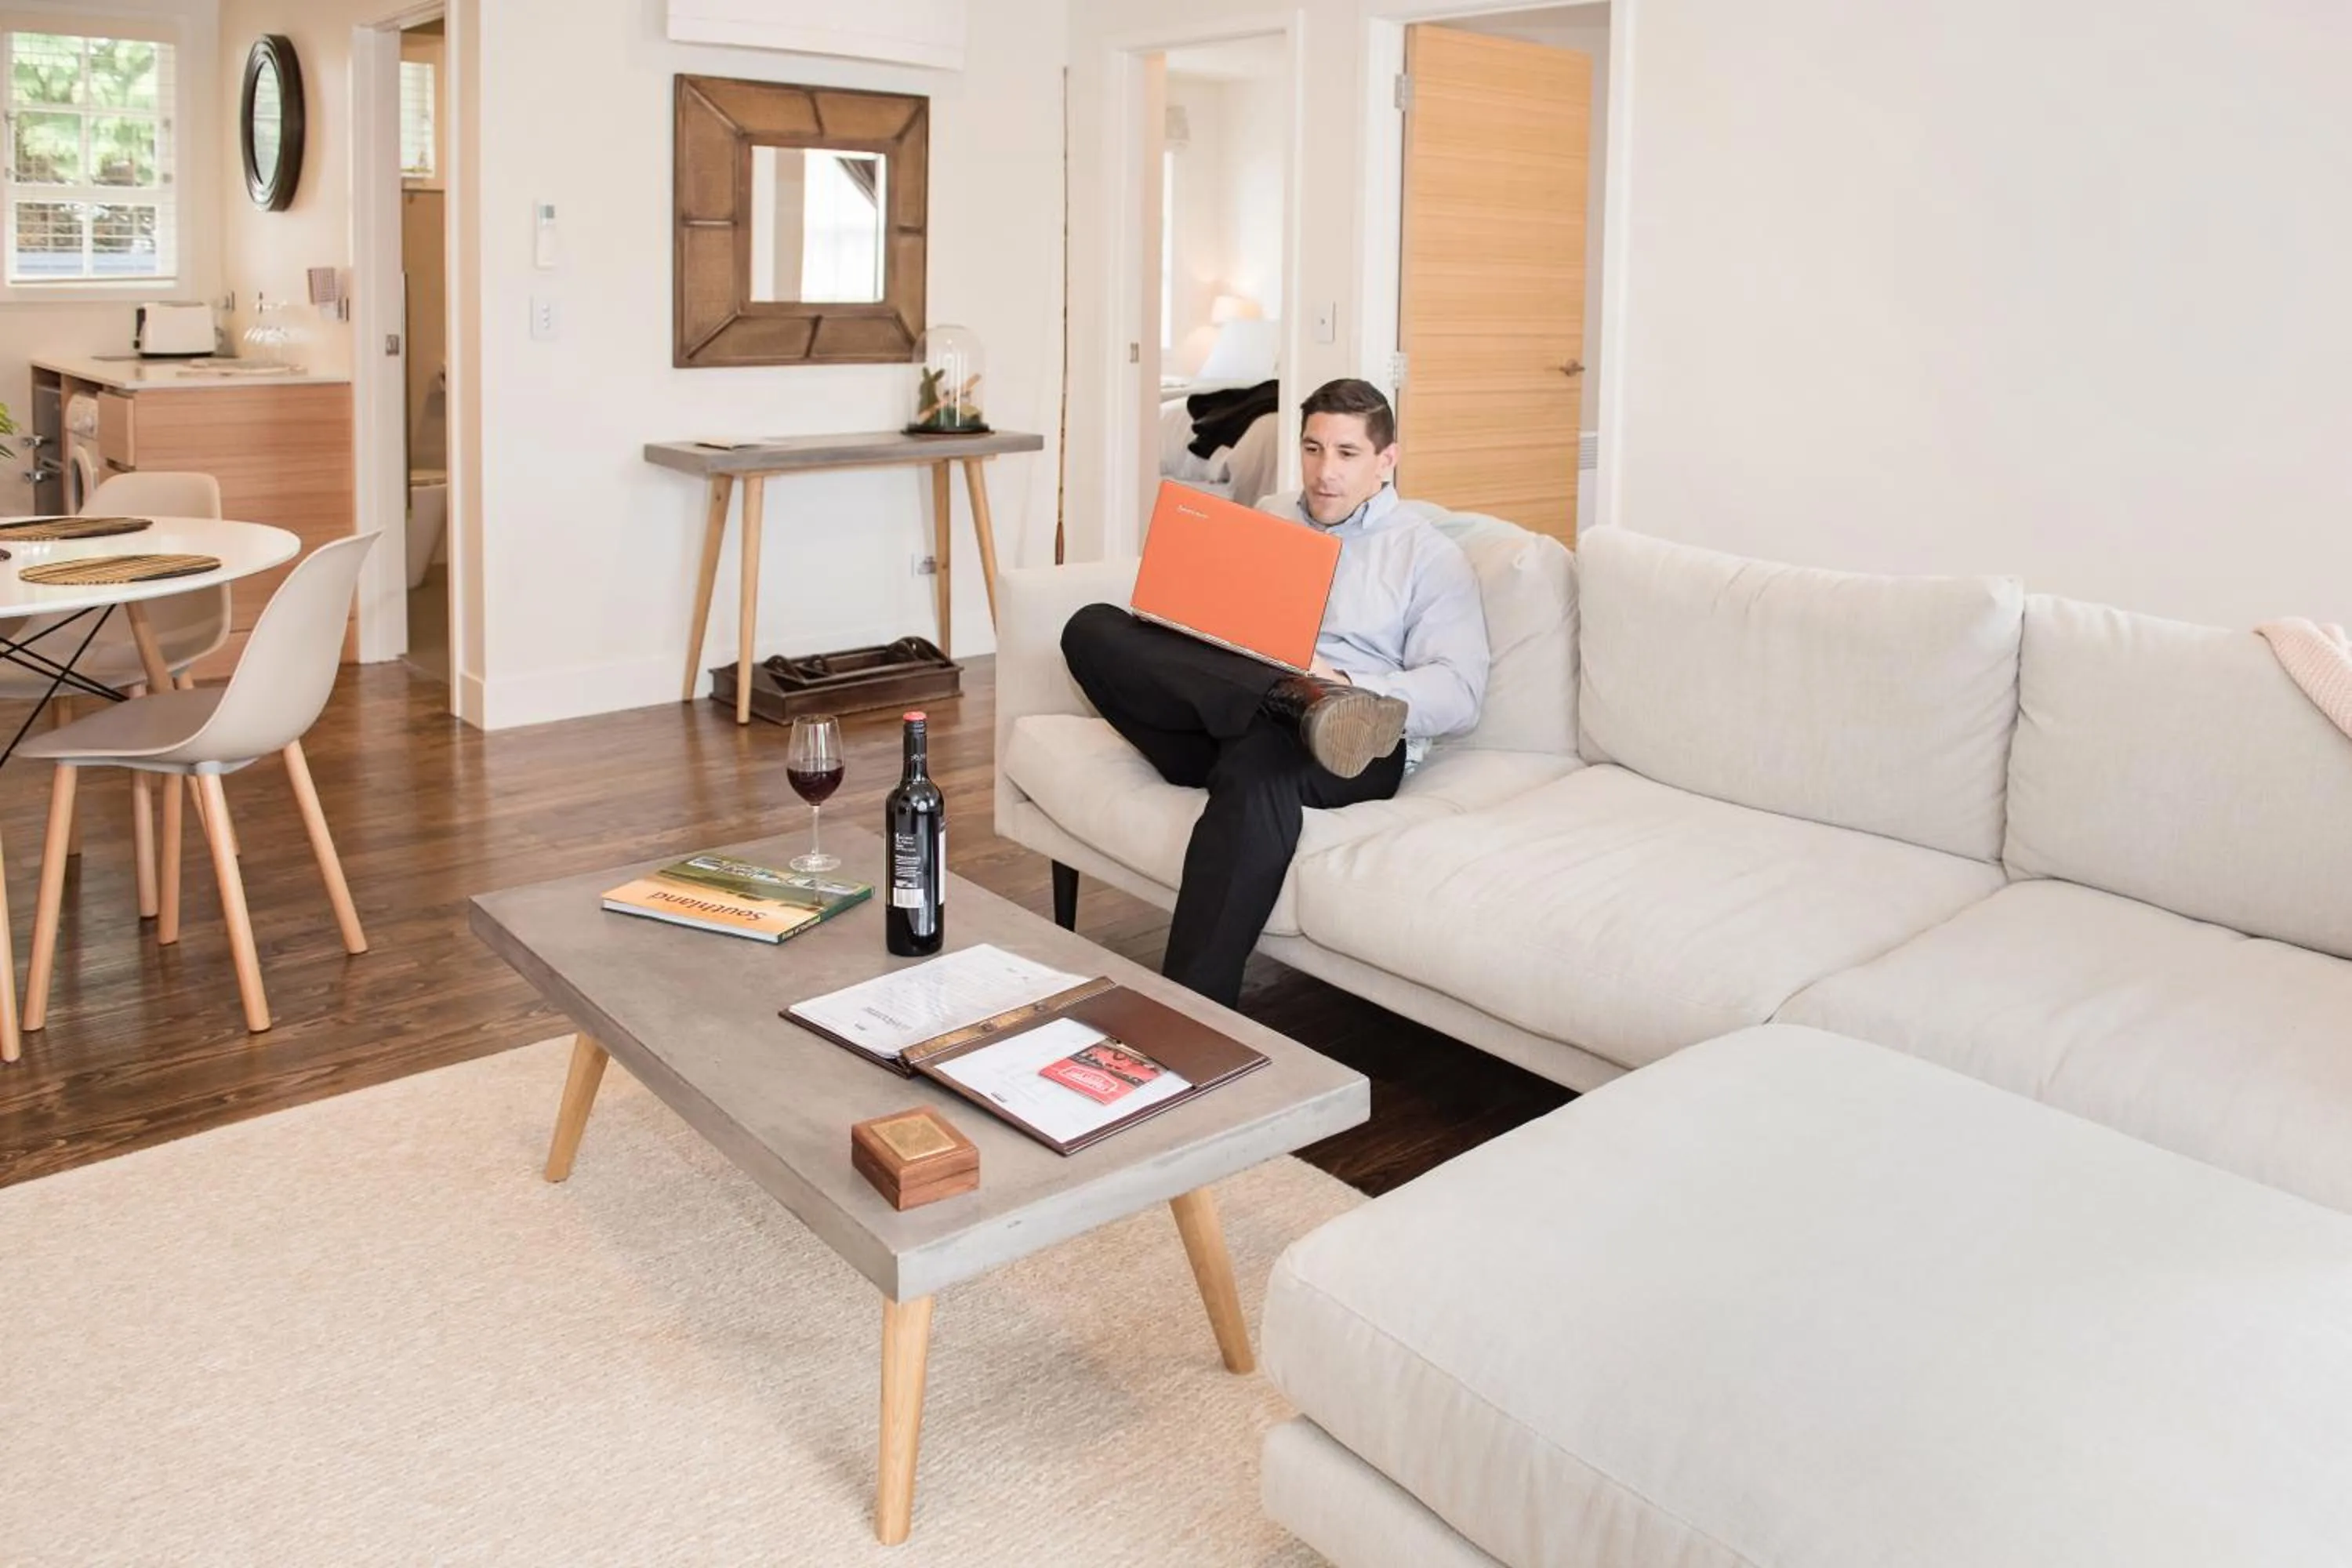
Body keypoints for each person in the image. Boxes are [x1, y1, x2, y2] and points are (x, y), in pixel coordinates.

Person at [1059, 378, 1490, 1007]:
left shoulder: (1427, 557)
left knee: (1259, 776)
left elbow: (1459, 693)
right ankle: (1283, 696)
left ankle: (1188, 1015)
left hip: (1350, 743)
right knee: (1091, 626)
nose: (1324, 473)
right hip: (1232, 707)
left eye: (1346, 454)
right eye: (1313, 450)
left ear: (1385, 461)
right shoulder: (1270, 516)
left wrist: (1346, 685)